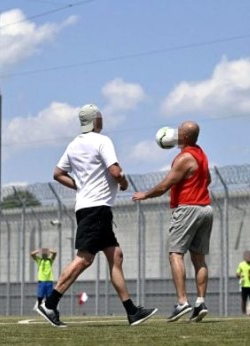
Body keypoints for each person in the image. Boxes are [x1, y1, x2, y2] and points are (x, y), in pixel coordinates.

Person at [37, 104, 157, 328]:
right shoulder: (103, 141)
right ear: (96, 121)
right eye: (100, 117)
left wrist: (81, 187)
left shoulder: (74, 144)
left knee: (116, 255)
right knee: (84, 258)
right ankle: (49, 303)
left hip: (87, 207)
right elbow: (115, 171)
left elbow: (57, 174)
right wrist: (122, 183)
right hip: (97, 209)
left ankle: (132, 312)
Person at [132, 121, 213, 323]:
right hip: (206, 208)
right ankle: (200, 302)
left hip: (188, 208)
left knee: (175, 254)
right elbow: (208, 180)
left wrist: (145, 195)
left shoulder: (184, 158)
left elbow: (165, 185)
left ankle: (182, 301)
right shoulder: (201, 154)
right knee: (199, 258)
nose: (175, 134)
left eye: (179, 132)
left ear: (184, 136)